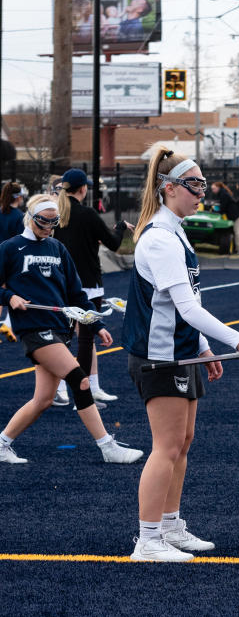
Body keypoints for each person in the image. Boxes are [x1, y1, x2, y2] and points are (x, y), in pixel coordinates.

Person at [125, 147, 239, 561]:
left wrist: (205, 346)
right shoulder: (159, 238)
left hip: (183, 351)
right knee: (166, 446)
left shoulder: (177, 230)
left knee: (183, 442)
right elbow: (187, 308)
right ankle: (148, 540)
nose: (201, 195)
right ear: (169, 189)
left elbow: (186, 299)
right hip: (161, 356)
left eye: (203, 186)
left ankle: (170, 527)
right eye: (194, 186)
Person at [0, 193, 142, 465]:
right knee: (80, 379)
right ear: (31, 218)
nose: (49, 229)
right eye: (44, 223)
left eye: (54, 223)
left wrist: (97, 324)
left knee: (43, 399)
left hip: (58, 328)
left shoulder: (56, 248)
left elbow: (76, 295)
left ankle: (2, 443)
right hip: (34, 328)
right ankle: (107, 446)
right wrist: (9, 298)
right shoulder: (10, 248)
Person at [53, 168, 133, 407]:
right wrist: (120, 227)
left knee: (59, 340)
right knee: (86, 341)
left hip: (60, 285)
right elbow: (113, 244)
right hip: (87, 284)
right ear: (83, 189)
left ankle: (58, 390)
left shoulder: (57, 213)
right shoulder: (87, 214)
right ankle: (82, 394)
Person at [0, 180, 27, 342]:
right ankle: (8, 324)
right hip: (10, 258)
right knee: (14, 292)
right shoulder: (20, 217)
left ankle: (7, 325)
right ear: (18, 197)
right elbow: (21, 242)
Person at [209, 180, 239, 253]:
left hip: (236, 215)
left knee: (237, 231)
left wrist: (215, 211)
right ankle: (238, 248)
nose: (213, 190)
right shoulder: (222, 193)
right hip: (233, 214)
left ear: (218, 187)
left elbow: (223, 208)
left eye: (214, 188)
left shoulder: (223, 194)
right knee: (235, 231)